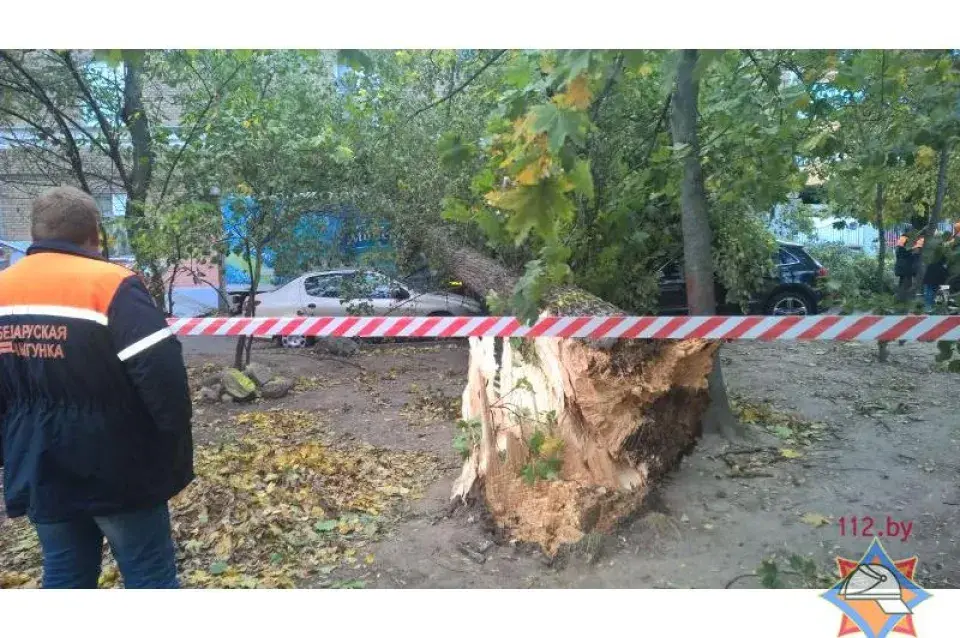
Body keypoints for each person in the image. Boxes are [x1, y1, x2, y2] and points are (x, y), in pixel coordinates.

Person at [0, 186, 193, 588]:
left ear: (35, 234)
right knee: (150, 578)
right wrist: (169, 445)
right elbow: (162, 377)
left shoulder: (4, 289)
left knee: (65, 575)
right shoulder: (113, 284)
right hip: (117, 466)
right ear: (94, 235)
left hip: (38, 464)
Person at [894, 225, 924, 303]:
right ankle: (903, 301)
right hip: (905, 266)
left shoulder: (904, 239)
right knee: (905, 283)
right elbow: (903, 252)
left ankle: (901, 300)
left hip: (904, 266)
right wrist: (913, 252)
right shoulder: (904, 239)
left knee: (905, 283)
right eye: (912, 231)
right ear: (908, 231)